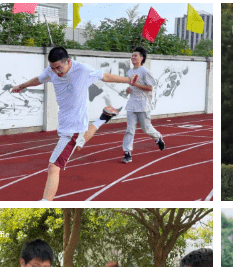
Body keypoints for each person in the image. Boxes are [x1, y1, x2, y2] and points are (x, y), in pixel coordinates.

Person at [11, 46, 138, 200]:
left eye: (59, 68)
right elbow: (39, 79)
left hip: (74, 127)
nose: (57, 72)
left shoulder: (83, 70)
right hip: (66, 125)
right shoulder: (52, 71)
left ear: (68, 62)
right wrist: (22, 86)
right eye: (53, 68)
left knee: (54, 166)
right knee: (79, 144)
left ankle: (45, 203)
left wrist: (129, 80)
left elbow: (105, 76)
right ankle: (103, 117)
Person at [121, 46, 166, 164]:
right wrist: (128, 89)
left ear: (142, 58)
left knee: (146, 129)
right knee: (130, 129)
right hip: (131, 104)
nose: (133, 58)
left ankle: (158, 137)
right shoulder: (129, 72)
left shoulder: (145, 72)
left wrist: (136, 85)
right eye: (132, 56)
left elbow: (150, 87)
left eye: (135, 56)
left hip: (143, 104)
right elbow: (131, 86)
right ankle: (127, 153)